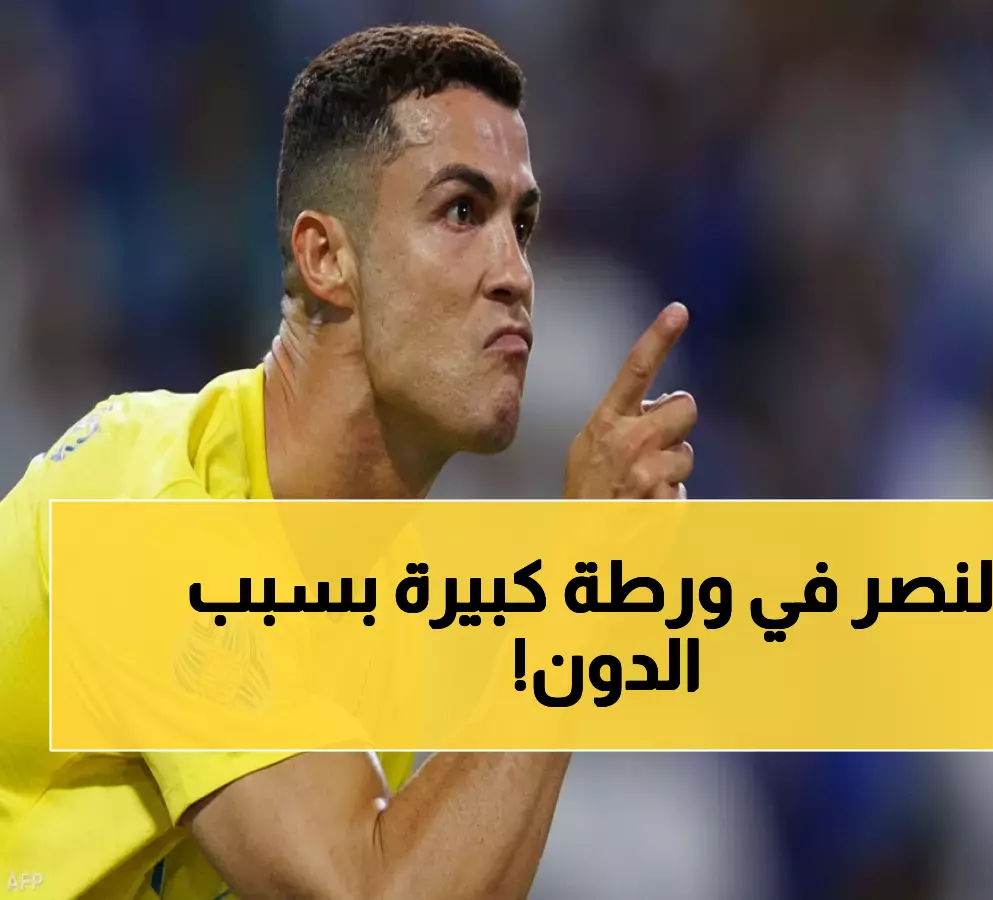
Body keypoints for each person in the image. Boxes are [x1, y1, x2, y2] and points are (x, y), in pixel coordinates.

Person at [0, 23, 697, 900]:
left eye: (521, 226)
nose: (516, 273)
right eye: (462, 212)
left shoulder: (384, 594)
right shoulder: (153, 508)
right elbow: (365, 889)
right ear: (326, 258)